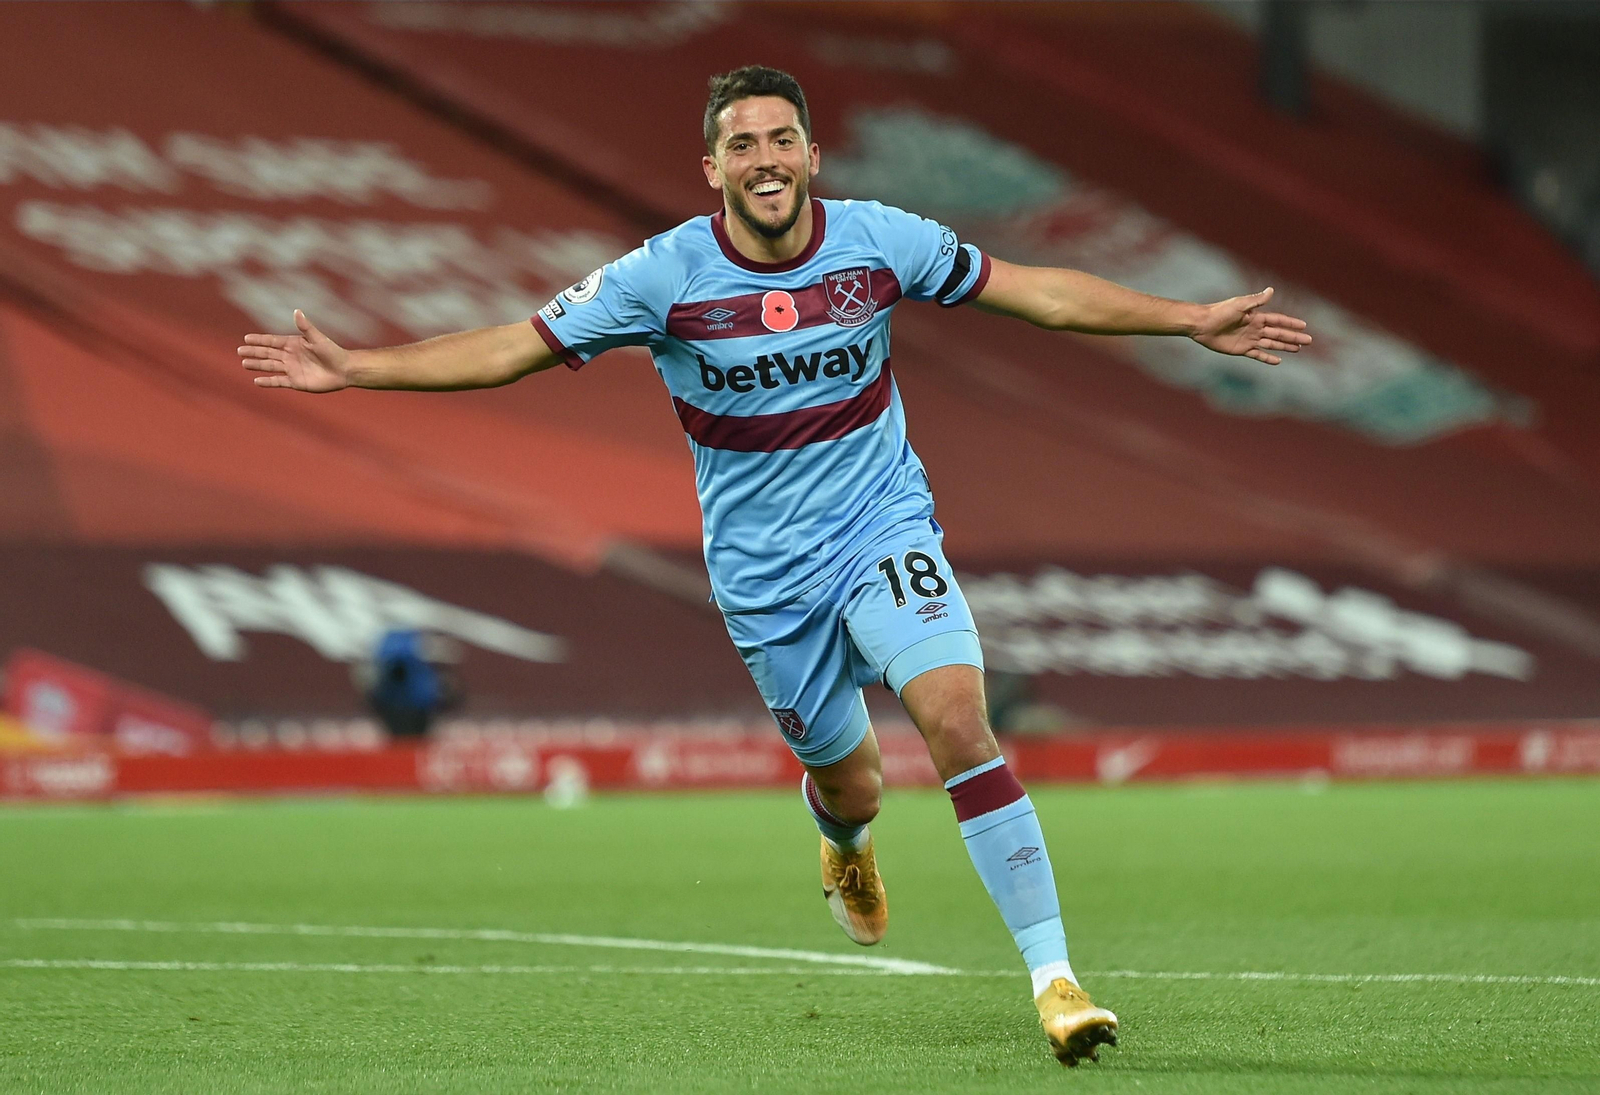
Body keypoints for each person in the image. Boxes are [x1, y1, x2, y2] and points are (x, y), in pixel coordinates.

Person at [238, 65, 1311, 1066]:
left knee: (955, 720)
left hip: (882, 530)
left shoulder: (879, 242)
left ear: (809, 156)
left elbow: (1037, 291)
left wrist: (1187, 323)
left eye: (781, 139)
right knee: (852, 781)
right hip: (763, 579)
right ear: (711, 169)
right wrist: (360, 369)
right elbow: (513, 347)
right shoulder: (662, 276)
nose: (764, 158)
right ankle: (839, 835)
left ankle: (1056, 980)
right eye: (741, 143)